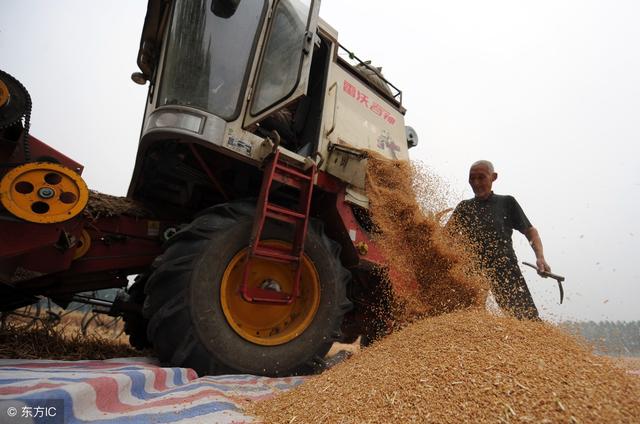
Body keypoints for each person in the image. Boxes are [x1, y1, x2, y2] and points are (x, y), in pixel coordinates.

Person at [449, 160, 551, 320]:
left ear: (493, 177)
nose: (476, 183)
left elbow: (530, 232)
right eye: (472, 178)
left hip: (504, 269)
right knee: (467, 320)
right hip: (472, 272)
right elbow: (445, 238)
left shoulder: (506, 202)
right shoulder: (464, 208)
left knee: (526, 320)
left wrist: (540, 257)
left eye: (481, 177)